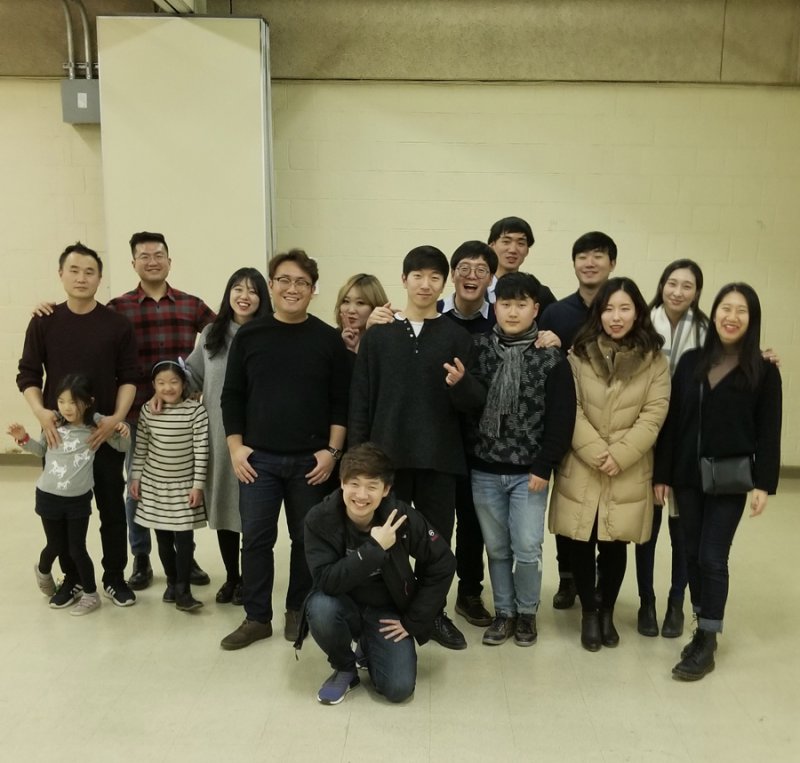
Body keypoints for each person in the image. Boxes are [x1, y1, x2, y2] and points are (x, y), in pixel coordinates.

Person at [349, 245, 484, 650]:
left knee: (436, 545)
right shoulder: (379, 335)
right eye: (418, 276)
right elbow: (361, 399)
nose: (426, 284)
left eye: (434, 277)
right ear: (404, 279)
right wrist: (357, 461)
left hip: (439, 459)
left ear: (444, 283)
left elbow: (475, 403)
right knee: (384, 540)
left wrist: (461, 385)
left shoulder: (457, 336)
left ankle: (432, 615)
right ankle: (386, 612)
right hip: (385, 461)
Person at [220, 249, 351, 650]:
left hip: (311, 462)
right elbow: (232, 396)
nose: (292, 289)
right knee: (256, 540)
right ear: (272, 286)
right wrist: (236, 449)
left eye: (301, 282)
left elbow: (340, 403)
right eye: (284, 280)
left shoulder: (327, 340)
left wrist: (332, 452)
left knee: (305, 539)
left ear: (313, 290)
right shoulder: (250, 335)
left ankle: (298, 609)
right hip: (257, 461)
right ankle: (257, 617)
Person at [654, 283, 781, 681]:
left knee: (712, 556)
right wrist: (663, 474)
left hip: (729, 478)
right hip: (687, 476)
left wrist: (764, 484)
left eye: (741, 310)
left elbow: (769, 430)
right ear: (714, 313)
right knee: (691, 553)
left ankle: (708, 640)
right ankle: (700, 626)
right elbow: (673, 422)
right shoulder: (692, 361)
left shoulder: (764, 371)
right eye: (726, 308)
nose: (732, 317)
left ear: (751, 319)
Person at [549, 277, 670, 652]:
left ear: (637, 313)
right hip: (583, 463)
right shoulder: (578, 355)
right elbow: (570, 408)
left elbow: (654, 414)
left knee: (615, 543)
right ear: (598, 314)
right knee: (582, 540)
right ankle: (589, 611)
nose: (616, 317)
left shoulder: (655, 360)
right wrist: (596, 451)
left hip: (628, 466)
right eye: (608, 309)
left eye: (624, 309)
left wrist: (620, 454)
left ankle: (607, 611)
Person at [17, 242, 139, 607]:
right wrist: (41, 413)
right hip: (59, 439)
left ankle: (114, 576)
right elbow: (27, 375)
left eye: (89, 272)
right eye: (74, 270)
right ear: (61, 274)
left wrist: (116, 418)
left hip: (101, 435)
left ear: (100, 278)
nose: (81, 278)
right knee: (62, 514)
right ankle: (71, 578)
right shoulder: (44, 321)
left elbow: (129, 377)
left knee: (112, 509)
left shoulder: (116, 324)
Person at [465, 273, 576, 646]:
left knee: (527, 547)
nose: (513, 312)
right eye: (506, 304)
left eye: (521, 304)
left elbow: (561, 418)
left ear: (535, 309)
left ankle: (527, 613)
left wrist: (544, 464)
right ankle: (505, 613)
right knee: (496, 548)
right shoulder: (478, 349)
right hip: (484, 469)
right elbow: (466, 405)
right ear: (495, 307)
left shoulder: (551, 357)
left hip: (530, 473)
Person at [299, 443, 456, 705]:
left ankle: (369, 645)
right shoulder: (320, 518)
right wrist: (374, 549)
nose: (361, 495)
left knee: (398, 689)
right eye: (354, 484)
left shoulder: (400, 516)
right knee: (319, 607)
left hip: (387, 610)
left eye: (372, 486)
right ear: (342, 483)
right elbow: (326, 581)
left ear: (386, 490)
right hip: (341, 602)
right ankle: (345, 668)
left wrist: (413, 621)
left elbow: (443, 562)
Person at [108, 232, 215, 591]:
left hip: (183, 419)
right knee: (137, 487)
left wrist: (198, 384)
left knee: (183, 487)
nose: (152, 261)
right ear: (133, 263)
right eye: (144, 256)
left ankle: (185, 556)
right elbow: (89, 328)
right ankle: (141, 556)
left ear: (169, 260)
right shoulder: (118, 307)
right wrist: (50, 310)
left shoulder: (191, 305)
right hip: (138, 416)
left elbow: (224, 333)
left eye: (158, 255)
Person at [181, 268, 271, 605]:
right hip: (218, 437)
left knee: (252, 513)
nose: (244, 296)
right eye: (238, 289)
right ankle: (233, 577)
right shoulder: (211, 334)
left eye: (253, 291)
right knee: (222, 508)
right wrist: (167, 387)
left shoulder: (269, 334)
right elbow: (192, 376)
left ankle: (251, 579)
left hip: (258, 437)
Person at [539, 230, 618, 610]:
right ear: (573, 264)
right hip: (567, 424)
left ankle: (601, 579)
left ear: (612, 263)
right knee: (569, 502)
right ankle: (568, 576)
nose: (590, 263)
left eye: (598, 256)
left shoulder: (621, 310)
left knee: (607, 507)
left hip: (613, 427)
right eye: (583, 256)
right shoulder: (556, 313)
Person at [8, 374, 130, 615]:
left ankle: (91, 594)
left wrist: (123, 430)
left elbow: (122, 446)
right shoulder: (53, 422)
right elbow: (40, 450)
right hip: (48, 497)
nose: (67, 407)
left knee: (77, 549)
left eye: (73, 402)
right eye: (62, 401)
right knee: (54, 545)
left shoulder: (96, 425)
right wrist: (23, 438)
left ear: (89, 402)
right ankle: (43, 569)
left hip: (77, 502)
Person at [635, 260, 708, 639]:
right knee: (646, 528)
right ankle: (646, 601)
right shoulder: (642, 323)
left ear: (697, 292)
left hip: (687, 440)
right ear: (662, 285)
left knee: (683, 530)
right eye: (672, 283)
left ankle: (676, 601)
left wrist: (764, 357)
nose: (678, 292)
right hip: (645, 435)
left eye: (687, 286)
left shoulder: (707, 331)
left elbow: (734, 360)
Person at [130, 361, 210, 612]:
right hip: (154, 486)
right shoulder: (147, 410)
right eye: (161, 383)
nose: (168, 388)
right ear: (153, 386)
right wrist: (135, 478)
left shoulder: (195, 411)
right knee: (163, 539)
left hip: (184, 487)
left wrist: (198, 486)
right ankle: (172, 583)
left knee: (184, 539)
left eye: (174, 382)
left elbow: (201, 450)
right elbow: (141, 447)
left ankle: (184, 589)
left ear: (184, 384)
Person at [486, 216, 556, 312]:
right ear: (491, 246)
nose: (513, 250)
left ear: (527, 251)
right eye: (506, 242)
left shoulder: (540, 294)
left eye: (521, 243)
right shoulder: (477, 289)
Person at [334, 274, 388, 354]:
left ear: (375, 307)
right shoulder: (331, 339)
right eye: (346, 301)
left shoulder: (387, 340)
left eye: (360, 303)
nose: (351, 310)